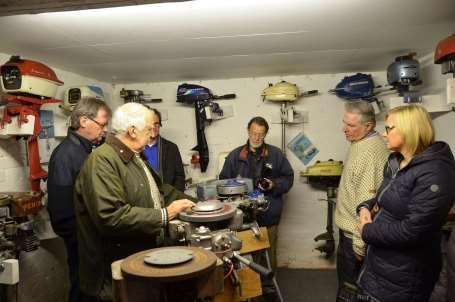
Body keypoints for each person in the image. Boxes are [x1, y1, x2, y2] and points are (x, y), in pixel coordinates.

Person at [74, 102, 195, 301]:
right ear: (132, 131)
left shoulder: (135, 156)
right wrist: (165, 214)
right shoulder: (102, 161)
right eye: (149, 129)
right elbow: (111, 216)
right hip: (116, 270)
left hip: (142, 262)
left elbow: (160, 190)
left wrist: (200, 206)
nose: (153, 134)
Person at [357, 105, 455, 302]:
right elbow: (383, 197)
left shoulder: (435, 171)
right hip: (381, 265)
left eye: (388, 129)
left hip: (405, 274)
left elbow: (413, 231)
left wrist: (367, 230)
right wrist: (365, 207)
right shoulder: (397, 162)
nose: (384, 135)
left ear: (409, 129)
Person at [47, 97, 111, 302]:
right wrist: (82, 237)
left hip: (90, 237)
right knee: (83, 290)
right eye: (102, 124)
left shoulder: (84, 150)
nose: (105, 129)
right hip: (81, 240)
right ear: (84, 121)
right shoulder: (66, 155)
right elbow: (60, 211)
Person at [219, 116, 294, 273]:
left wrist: (274, 185)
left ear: (265, 134)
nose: (257, 137)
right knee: (244, 254)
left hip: (269, 214)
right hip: (242, 217)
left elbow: (288, 178)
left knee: (269, 253)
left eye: (261, 134)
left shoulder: (275, 155)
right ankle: (250, 291)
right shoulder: (235, 156)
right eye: (254, 133)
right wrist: (237, 190)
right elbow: (223, 182)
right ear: (248, 131)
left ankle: (269, 288)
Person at [334, 101, 389, 302]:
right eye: (344, 123)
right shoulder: (359, 143)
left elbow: (368, 205)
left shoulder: (370, 153)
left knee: (350, 293)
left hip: (354, 239)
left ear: (368, 126)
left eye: (351, 126)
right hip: (350, 234)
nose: (344, 129)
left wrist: (359, 244)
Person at [143, 108, 185, 191]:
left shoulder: (171, 148)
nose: (153, 127)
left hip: (169, 197)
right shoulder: (136, 150)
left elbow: (180, 177)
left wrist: (174, 198)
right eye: (150, 124)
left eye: (156, 124)